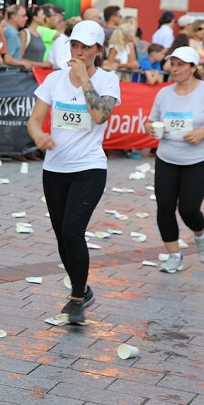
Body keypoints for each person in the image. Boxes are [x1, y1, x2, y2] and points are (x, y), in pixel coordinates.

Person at [26, 20, 121, 324]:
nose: (79, 52)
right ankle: (85, 290)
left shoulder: (108, 80)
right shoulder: (54, 80)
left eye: (86, 47)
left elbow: (99, 116)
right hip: (54, 168)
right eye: (75, 46)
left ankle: (77, 297)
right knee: (61, 236)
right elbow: (34, 118)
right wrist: (38, 136)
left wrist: (84, 80)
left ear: (98, 50)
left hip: (89, 167)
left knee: (72, 230)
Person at [144, 46, 204, 273]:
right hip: (167, 157)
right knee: (164, 208)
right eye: (172, 64)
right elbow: (150, 121)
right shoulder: (164, 93)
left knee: (188, 208)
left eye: (180, 64)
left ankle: (201, 235)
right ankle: (174, 255)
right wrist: (151, 130)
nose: (174, 69)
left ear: (193, 68)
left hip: (200, 158)